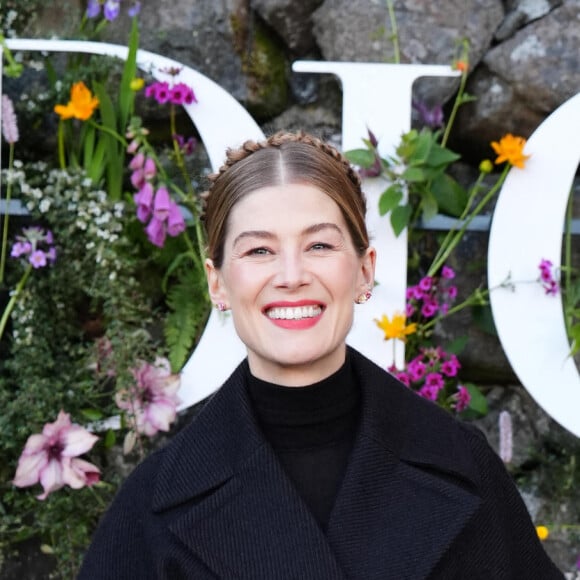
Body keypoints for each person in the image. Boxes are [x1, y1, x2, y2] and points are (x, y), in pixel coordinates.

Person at [78, 131, 563, 579]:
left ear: (364, 270)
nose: (291, 275)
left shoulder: (463, 466)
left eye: (319, 245)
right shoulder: (153, 505)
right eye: (259, 251)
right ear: (217, 282)